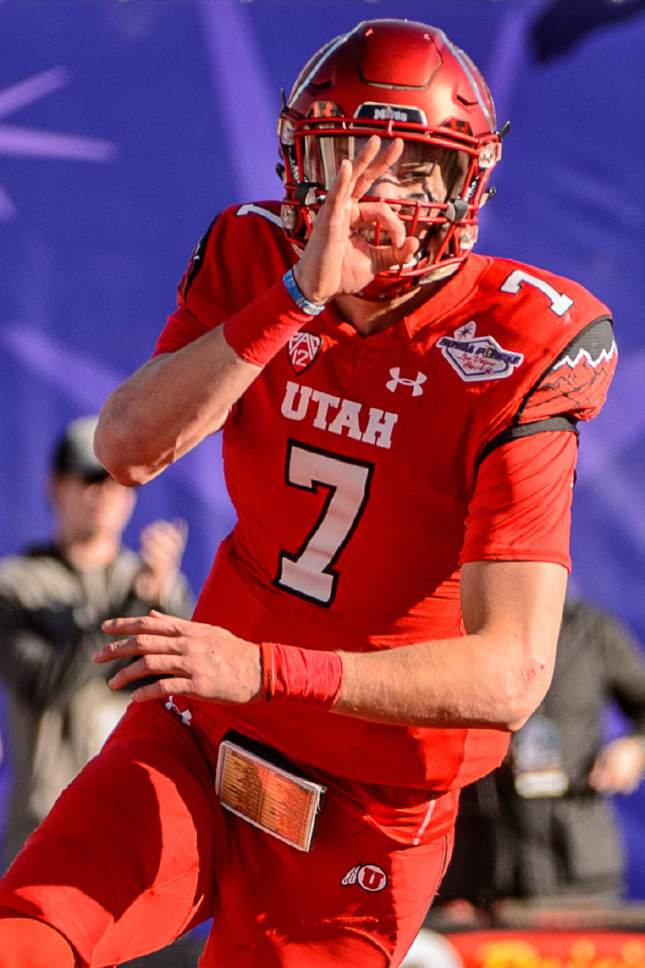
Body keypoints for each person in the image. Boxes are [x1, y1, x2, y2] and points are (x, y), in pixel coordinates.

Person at [0, 19, 618, 968]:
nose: (375, 190)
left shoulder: (515, 347)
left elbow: (510, 675)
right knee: (28, 933)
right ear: (301, 162)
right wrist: (294, 298)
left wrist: (267, 668)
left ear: (465, 181)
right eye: (347, 154)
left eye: (414, 164)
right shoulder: (255, 257)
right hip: (209, 735)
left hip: (370, 802)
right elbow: (126, 448)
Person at [0, 415, 193, 868]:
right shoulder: (16, 586)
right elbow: (45, 681)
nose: (103, 493)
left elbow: (189, 697)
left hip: (135, 825)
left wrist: (166, 607)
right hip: (43, 829)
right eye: (88, 478)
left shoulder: (160, 586)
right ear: (55, 486)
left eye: (115, 482)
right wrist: (136, 602)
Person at [433, 596, 645, 913]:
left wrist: (635, 749)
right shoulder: (457, 631)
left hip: (576, 869)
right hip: (478, 868)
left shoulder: (591, 630)